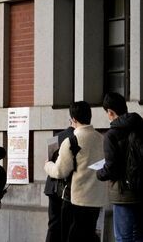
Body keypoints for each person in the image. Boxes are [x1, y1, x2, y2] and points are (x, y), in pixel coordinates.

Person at [44, 101, 107, 242]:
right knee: (89, 234)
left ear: (73, 119)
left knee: (72, 236)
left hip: (76, 200)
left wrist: (47, 165)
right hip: (96, 198)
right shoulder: (101, 138)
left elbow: (60, 171)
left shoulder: (72, 141)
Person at [97, 92, 143, 242]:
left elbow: (111, 168)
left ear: (110, 112)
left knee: (123, 237)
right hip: (140, 190)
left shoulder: (111, 134)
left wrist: (99, 173)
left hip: (123, 194)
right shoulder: (140, 127)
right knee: (139, 236)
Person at [43, 126, 74, 242]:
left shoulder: (56, 137)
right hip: (67, 187)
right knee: (68, 224)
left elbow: (49, 159)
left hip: (52, 186)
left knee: (53, 223)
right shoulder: (78, 137)